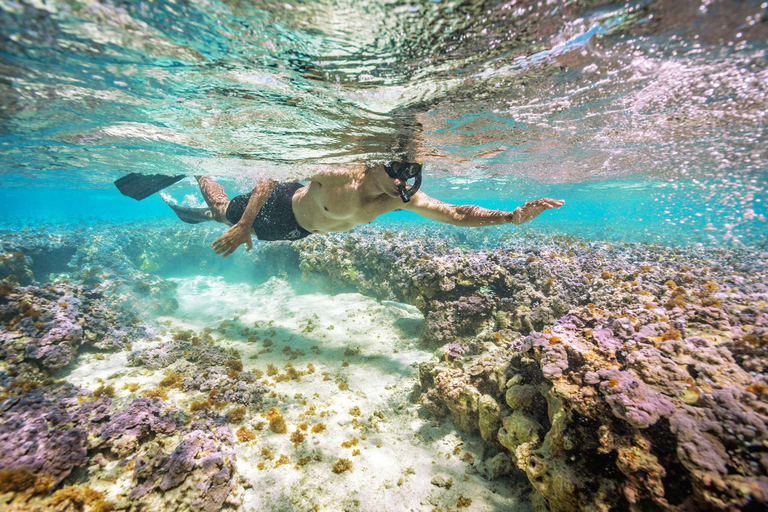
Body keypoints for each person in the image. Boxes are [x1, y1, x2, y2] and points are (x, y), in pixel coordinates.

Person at [187, 161, 564, 257]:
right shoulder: (341, 176)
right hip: (277, 207)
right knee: (222, 211)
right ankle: (197, 173)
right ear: (378, 164)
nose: (404, 181)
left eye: (411, 172)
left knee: (217, 218)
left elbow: (455, 213)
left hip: (301, 231)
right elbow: (270, 175)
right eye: (398, 170)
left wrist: (510, 217)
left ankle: (199, 214)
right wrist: (244, 224)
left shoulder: (399, 199)